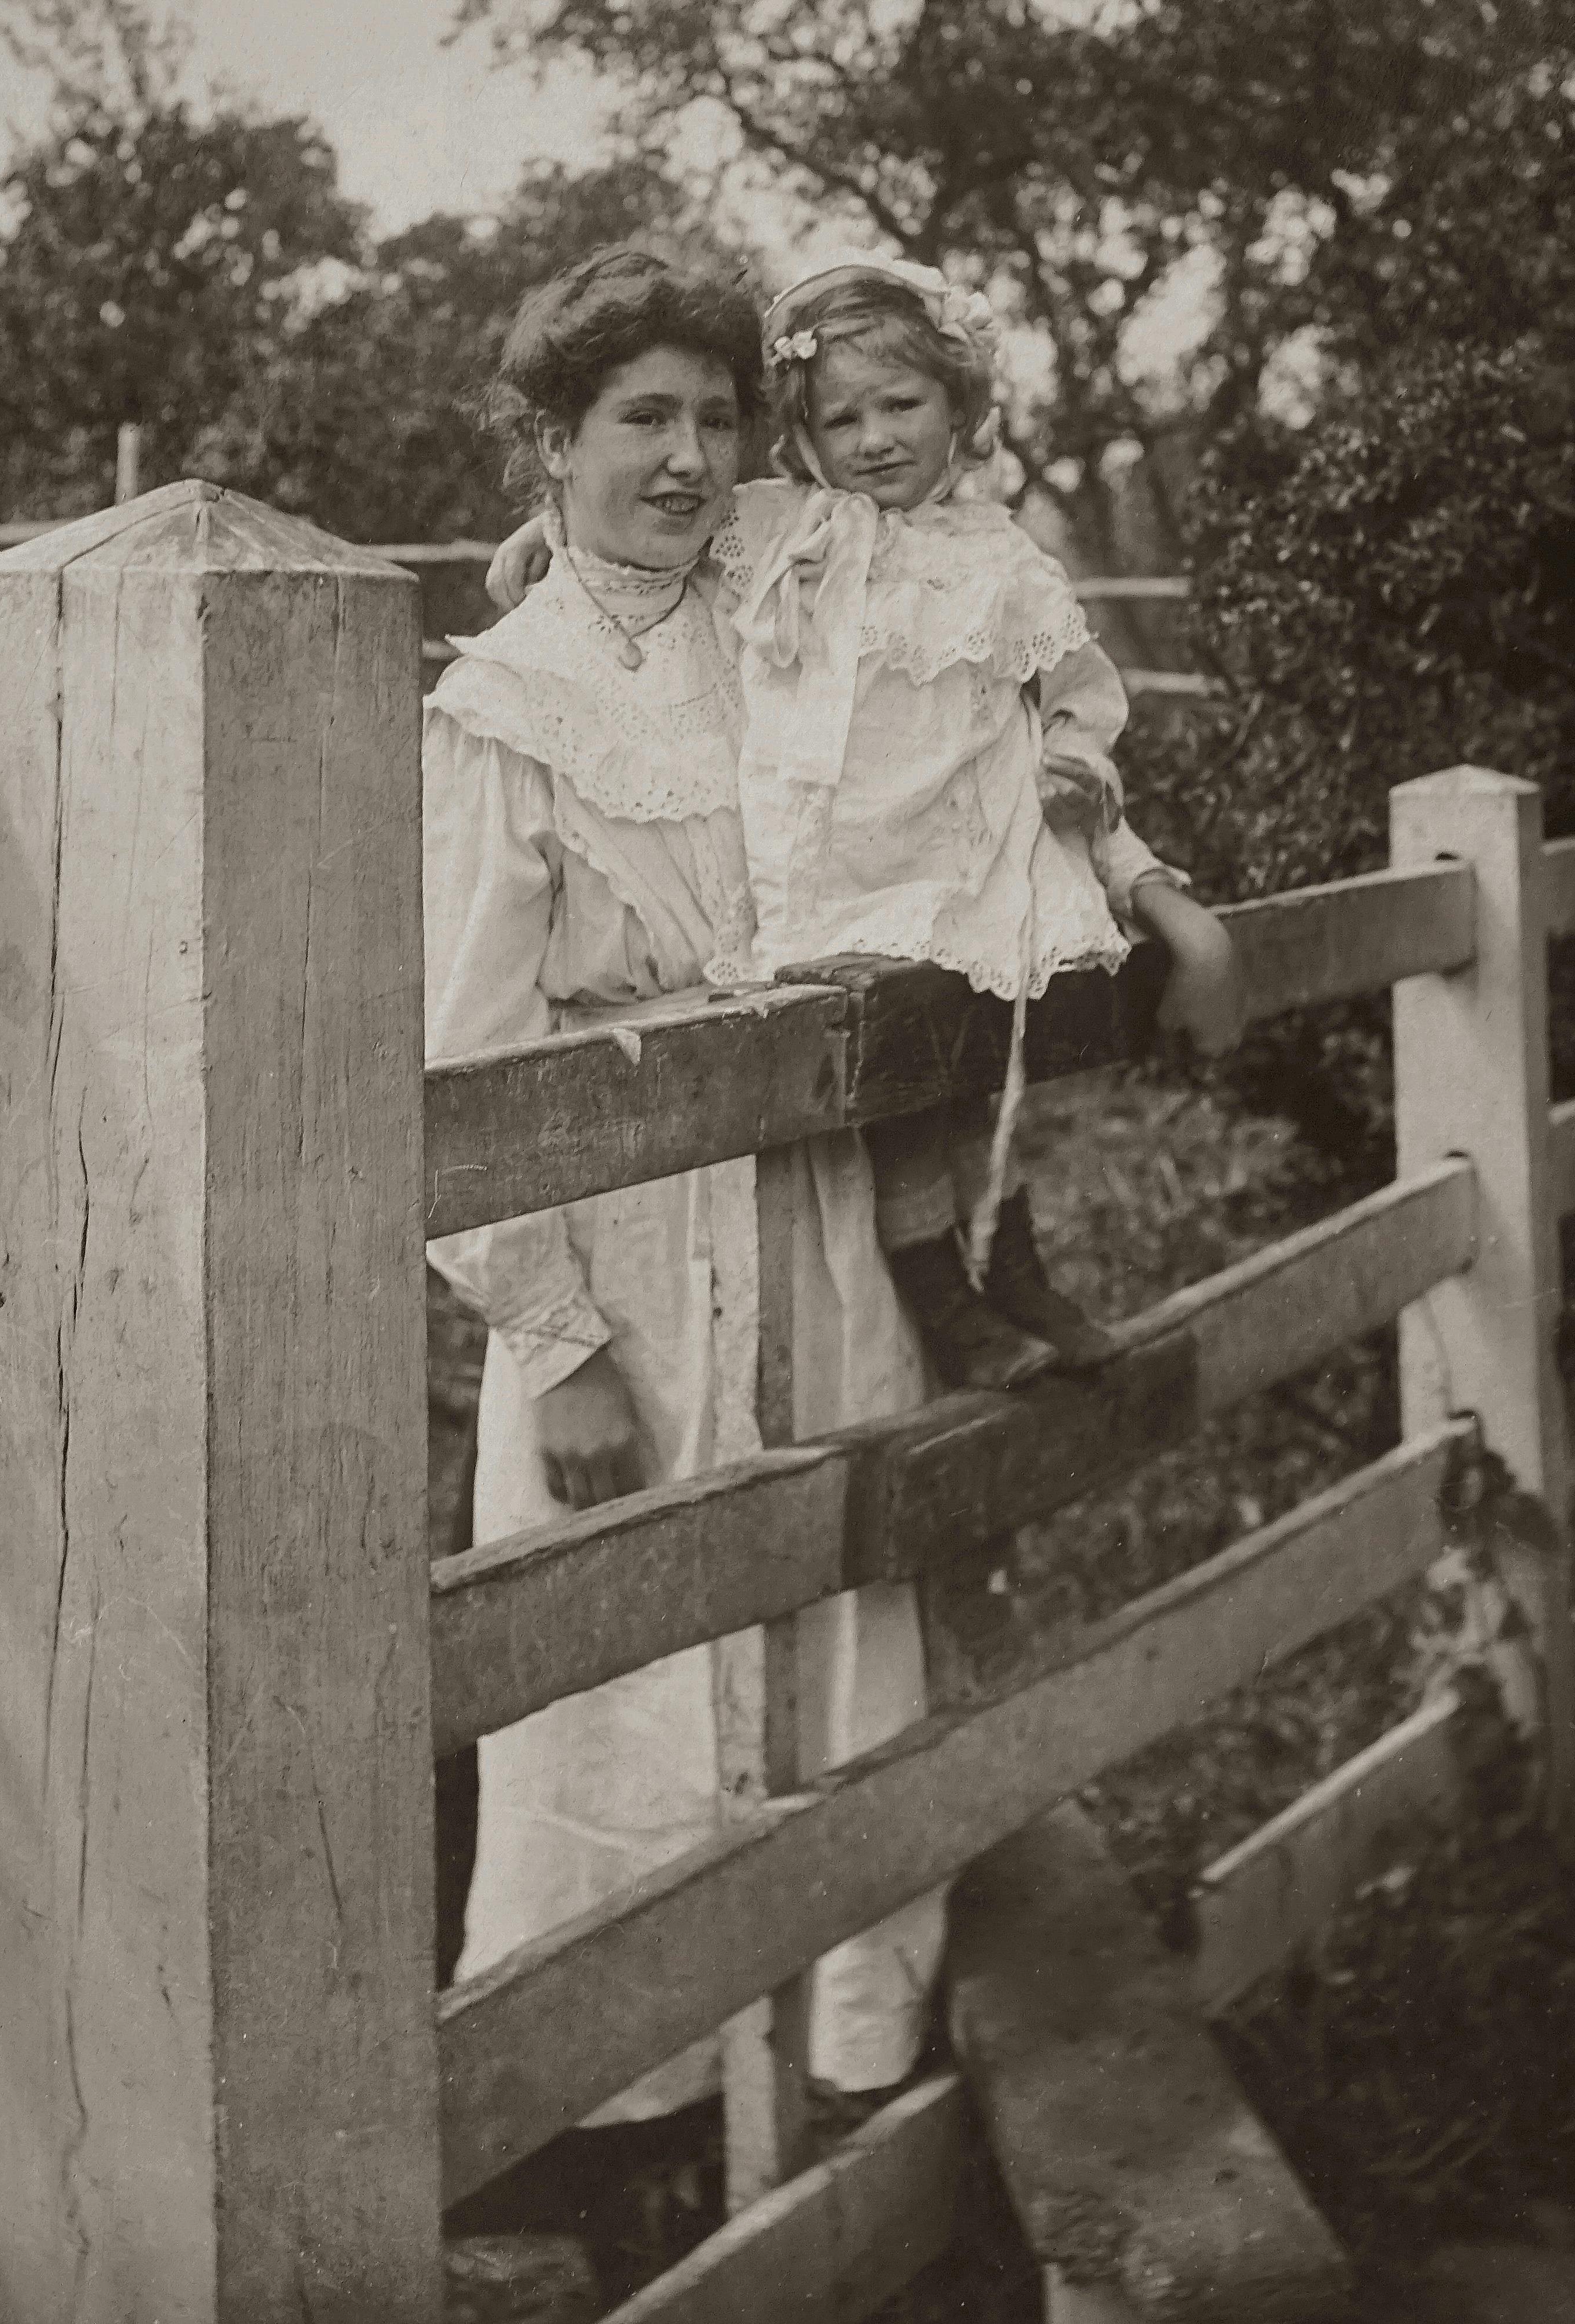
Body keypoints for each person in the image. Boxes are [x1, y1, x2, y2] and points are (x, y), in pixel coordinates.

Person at [424, 245, 946, 2135]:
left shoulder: (778, 614)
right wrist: (549, 1340)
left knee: (829, 1593)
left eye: (720, 417)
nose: (688, 456)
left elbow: (938, 543)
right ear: (550, 442)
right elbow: (465, 1062)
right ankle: (618, 2105)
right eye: (641, 416)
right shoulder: (503, 706)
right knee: (625, 1672)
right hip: (617, 1249)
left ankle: (841, 2055)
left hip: (804, 1200)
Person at [487, 252, 1241, 1392]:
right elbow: (645, 505)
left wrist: (1104, 804)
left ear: (961, 410)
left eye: (902, 405)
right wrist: (541, 537)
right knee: (901, 1084)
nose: (876, 438)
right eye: (841, 418)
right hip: (838, 879)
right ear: (803, 435)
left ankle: (1014, 1265)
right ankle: (946, 1296)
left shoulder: (1003, 558)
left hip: (954, 859)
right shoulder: (787, 529)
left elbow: (1067, 707)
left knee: (974, 1071)